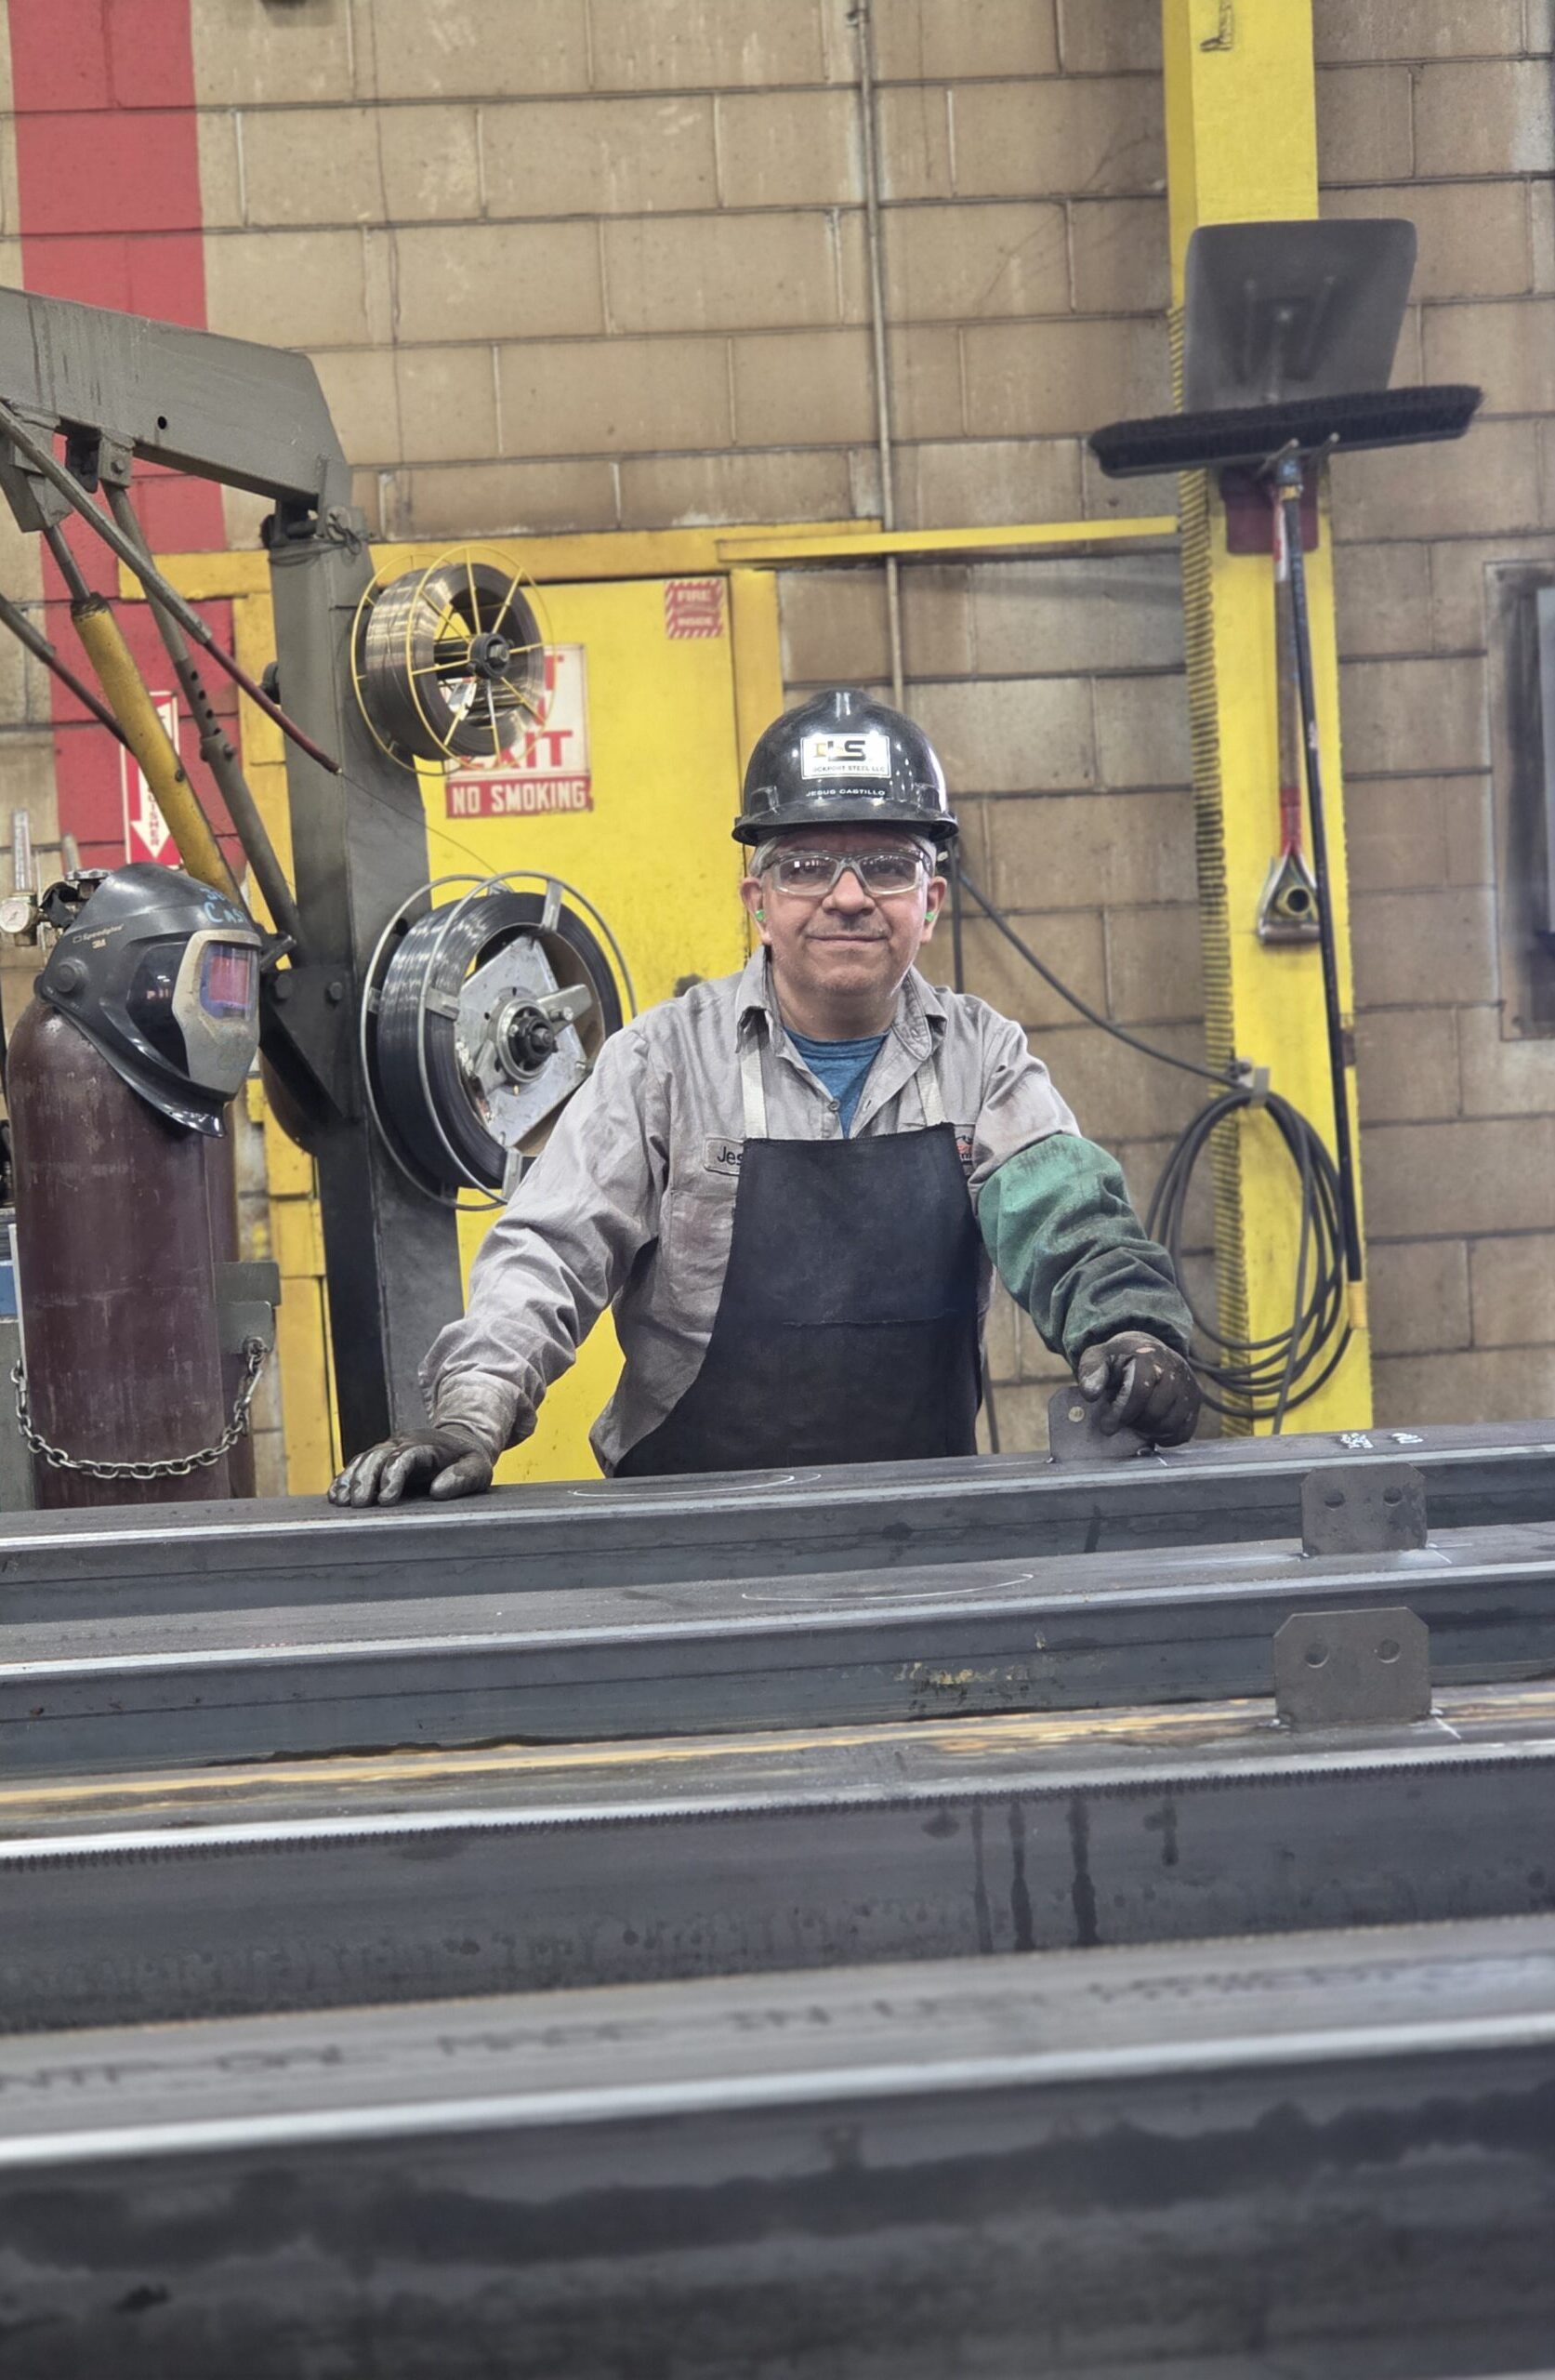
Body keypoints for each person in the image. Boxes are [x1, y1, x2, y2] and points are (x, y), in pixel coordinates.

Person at [331, 689, 1199, 1505]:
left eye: (887, 867)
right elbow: (551, 1250)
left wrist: (1130, 1334)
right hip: (684, 1527)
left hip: (920, 1521)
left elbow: (1068, 1221)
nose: (848, 898)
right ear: (759, 900)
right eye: (807, 865)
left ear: (929, 902)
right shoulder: (662, 1061)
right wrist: (471, 1412)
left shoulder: (982, 1060)